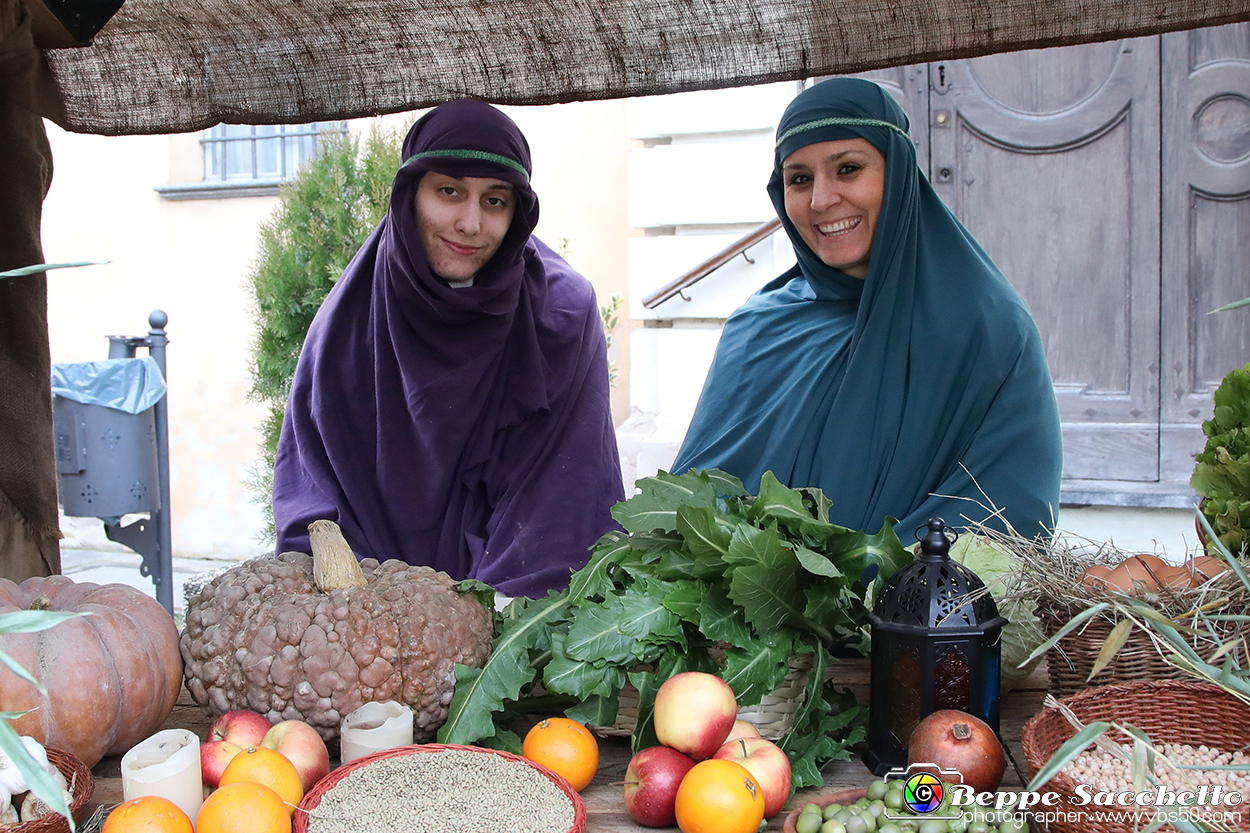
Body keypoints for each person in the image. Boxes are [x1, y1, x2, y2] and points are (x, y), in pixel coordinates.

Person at [671, 77, 1062, 539]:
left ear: (897, 173)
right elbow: (689, 506)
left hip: (908, 609)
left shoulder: (986, 330)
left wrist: (859, 589)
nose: (821, 200)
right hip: (741, 608)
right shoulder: (756, 329)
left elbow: (1005, 517)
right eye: (799, 179)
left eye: (848, 168)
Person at [273, 99, 625, 598]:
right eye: (449, 191)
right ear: (409, 196)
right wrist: (383, 613)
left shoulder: (561, 315)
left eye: (495, 201)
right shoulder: (348, 322)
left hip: (512, 613)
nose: (470, 223)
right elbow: (315, 494)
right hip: (371, 612)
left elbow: (561, 499)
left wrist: (485, 625)